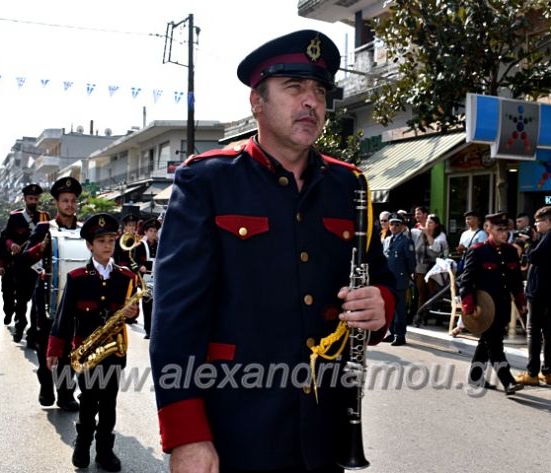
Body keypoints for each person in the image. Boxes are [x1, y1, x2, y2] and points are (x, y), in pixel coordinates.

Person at [149, 29, 396, 473]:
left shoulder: (350, 185)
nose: (311, 102)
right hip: (234, 432)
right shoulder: (206, 181)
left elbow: (381, 279)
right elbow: (175, 320)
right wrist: (187, 436)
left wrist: (383, 305)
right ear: (256, 101)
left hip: (324, 433)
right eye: (294, 87)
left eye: (319, 90)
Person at [46, 213, 140, 471]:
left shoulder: (126, 278)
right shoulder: (77, 278)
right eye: (101, 241)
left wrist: (133, 312)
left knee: (109, 404)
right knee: (88, 403)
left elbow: (132, 313)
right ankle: (82, 444)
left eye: (111, 239)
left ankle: (105, 451)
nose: (108, 245)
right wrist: (55, 349)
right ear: (89, 245)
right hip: (86, 352)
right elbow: (64, 317)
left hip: (114, 353)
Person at [23, 177, 82, 411]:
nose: (69, 205)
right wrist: (42, 247)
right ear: (56, 203)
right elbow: (27, 258)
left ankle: (66, 393)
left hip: (74, 299)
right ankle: (46, 386)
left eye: (73, 201)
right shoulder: (44, 228)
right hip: (46, 297)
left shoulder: (83, 230)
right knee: (45, 345)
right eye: (65, 201)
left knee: (70, 348)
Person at [459, 212, 526, 395]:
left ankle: (475, 377)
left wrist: (521, 302)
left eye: (506, 230)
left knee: (487, 342)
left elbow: (516, 281)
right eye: (499, 230)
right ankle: (508, 381)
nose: (504, 233)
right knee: (495, 344)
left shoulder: (511, 251)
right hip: (483, 308)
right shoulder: (478, 250)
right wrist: (468, 306)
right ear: (488, 229)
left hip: (502, 307)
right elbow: (467, 281)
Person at [516, 206, 551, 386]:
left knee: (534, 329)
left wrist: (530, 243)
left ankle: (532, 372)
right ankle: (546, 371)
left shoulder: (550, 236)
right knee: (549, 331)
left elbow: (534, 257)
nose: (535, 225)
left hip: (539, 289)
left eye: (538, 222)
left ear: (547, 222)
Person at [4, 183, 50, 344]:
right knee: (21, 299)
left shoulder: (44, 217)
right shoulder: (15, 217)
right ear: (24, 199)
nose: (33, 201)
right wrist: (12, 245)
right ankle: (20, 324)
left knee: (38, 300)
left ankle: (33, 332)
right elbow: (7, 238)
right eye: (30, 198)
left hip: (37, 265)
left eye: (36, 198)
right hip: (20, 264)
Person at [451, 210, 487, 336]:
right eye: (466, 219)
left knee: (471, 294)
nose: (468, 221)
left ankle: (463, 325)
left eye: (470, 218)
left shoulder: (482, 234)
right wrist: (461, 250)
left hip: (475, 267)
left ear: (478, 220)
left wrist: (466, 249)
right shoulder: (464, 233)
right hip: (464, 265)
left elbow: (480, 251)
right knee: (463, 293)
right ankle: (462, 324)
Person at [382, 213, 416, 346]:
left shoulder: (406, 241)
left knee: (399, 309)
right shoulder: (387, 240)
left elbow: (411, 262)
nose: (394, 227)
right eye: (391, 224)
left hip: (400, 279)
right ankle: (391, 332)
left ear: (402, 226)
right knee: (389, 307)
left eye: (397, 224)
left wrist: (407, 275)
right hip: (388, 278)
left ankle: (400, 335)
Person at [413, 213, 449, 325]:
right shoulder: (420, 234)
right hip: (422, 267)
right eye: (427, 221)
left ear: (436, 225)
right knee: (421, 292)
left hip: (437, 268)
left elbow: (436, 248)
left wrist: (428, 235)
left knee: (434, 293)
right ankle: (419, 316)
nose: (428, 224)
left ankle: (434, 316)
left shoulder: (440, 236)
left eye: (431, 222)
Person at [133, 218, 160, 339]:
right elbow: (132, 262)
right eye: (151, 231)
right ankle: (148, 330)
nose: (153, 233)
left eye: (155, 231)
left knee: (157, 305)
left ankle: (156, 329)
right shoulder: (139, 246)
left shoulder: (160, 245)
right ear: (146, 232)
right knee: (148, 304)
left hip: (158, 278)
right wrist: (140, 267)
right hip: (146, 279)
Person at [0, 228, 16, 326]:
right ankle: (8, 312)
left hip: (24, 269)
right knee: (7, 293)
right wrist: (0, 266)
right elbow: (0, 251)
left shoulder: (31, 231)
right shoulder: (6, 233)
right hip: (8, 268)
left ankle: (19, 317)